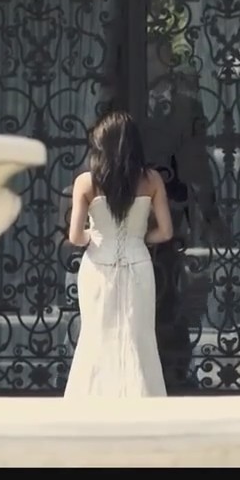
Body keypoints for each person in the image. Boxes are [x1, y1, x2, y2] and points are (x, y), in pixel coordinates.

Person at [64, 111, 173, 398]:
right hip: (138, 263)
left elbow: (75, 237)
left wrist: (95, 236)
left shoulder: (86, 182)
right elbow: (165, 232)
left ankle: (92, 401)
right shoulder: (152, 180)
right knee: (138, 337)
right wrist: (140, 238)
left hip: (98, 264)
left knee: (96, 335)